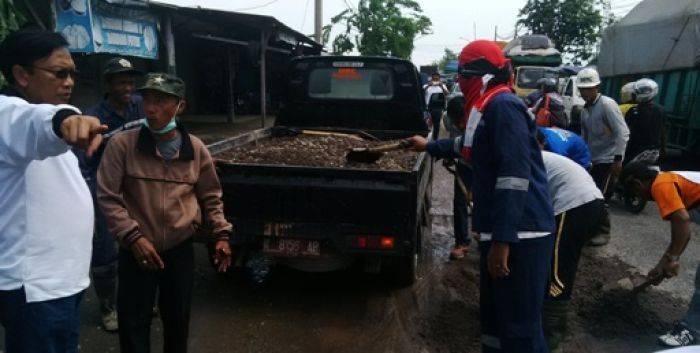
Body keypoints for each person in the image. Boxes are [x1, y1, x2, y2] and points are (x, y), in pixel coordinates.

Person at [409, 40, 554, 353]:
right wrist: (429, 146)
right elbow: (467, 147)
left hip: (522, 234)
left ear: (478, 74)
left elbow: (514, 177)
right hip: (503, 231)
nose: (459, 80)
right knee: (493, 322)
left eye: (463, 73)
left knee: (519, 329)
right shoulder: (485, 105)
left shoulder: (503, 106)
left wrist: (503, 240)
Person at [97, 73, 233, 353]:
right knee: (133, 323)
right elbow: (108, 198)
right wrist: (133, 238)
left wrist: (221, 234)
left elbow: (211, 196)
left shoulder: (195, 149)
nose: (150, 108)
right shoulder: (123, 145)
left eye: (160, 101)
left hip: (179, 249)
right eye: (146, 99)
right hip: (136, 252)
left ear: (180, 106)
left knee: (177, 320)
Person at [0, 27, 107, 353]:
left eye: (72, 73)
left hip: (60, 282)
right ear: (21, 74)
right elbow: (37, 122)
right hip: (34, 288)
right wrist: (66, 118)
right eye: (59, 73)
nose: (69, 82)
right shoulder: (8, 113)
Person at [77, 56, 145, 332]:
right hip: (105, 189)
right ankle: (109, 307)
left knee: (141, 241)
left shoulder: (141, 105)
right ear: (108, 84)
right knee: (105, 250)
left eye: (130, 81)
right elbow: (83, 161)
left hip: (138, 186)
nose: (127, 87)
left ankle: (139, 299)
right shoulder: (95, 116)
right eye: (121, 82)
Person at [619, 162, 700, 347]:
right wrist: (663, 264)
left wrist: (673, 259)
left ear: (639, 184)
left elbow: (682, 220)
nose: (638, 197)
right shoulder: (670, 180)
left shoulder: (660, 185)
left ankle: (691, 331)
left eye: (635, 192)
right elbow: (683, 233)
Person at [539, 151, 605, 352]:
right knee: (560, 261)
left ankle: (552, 331)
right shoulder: (539, 154)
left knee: (559, 269)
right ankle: (549, 315)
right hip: (594, 201)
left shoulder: (521, 157)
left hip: (574, 204)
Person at [577, 67, 630, 246]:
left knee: (601, 196)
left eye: (588, 88)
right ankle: (590, 228)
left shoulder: (607, 104)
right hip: (593, 158)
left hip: (608, 159)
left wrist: (618, 159)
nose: (584, 92)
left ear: (597, 87)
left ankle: (603, 232)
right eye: (582, 89)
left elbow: (622, 132)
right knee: (590, 196)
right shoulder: (585, 111)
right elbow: (585, 137)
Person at [442, 94, 472, 259]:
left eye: (463, 121)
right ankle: (462, 243)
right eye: (457, 122)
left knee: (485, 200)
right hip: (464, 163)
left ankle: (487, 236)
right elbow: (452, 139)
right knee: (460, 202)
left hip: (483, 164)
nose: (461, 125)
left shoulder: (481, 120)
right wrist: (448, 155)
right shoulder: (448, 120)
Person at [624, 78, 666, 165]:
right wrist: (663, 150)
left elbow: (625, 133)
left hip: (634, 151)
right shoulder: (661, 110)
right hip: (654, 152)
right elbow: (662, 132)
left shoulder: (633, 110)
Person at [423, 72, 448, 139]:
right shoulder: (426, 86)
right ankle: (425, 138)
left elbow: (447, 94)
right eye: (434, 77)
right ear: (431, 78)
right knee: (427, 124)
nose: (435, 78)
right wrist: (428, 86)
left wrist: (441, 86)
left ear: (439, 78)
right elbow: (421, 93)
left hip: (438, 108)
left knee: (436, 124)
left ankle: (435, 138)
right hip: (427, 107)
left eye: (437, 77)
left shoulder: (443, 86)